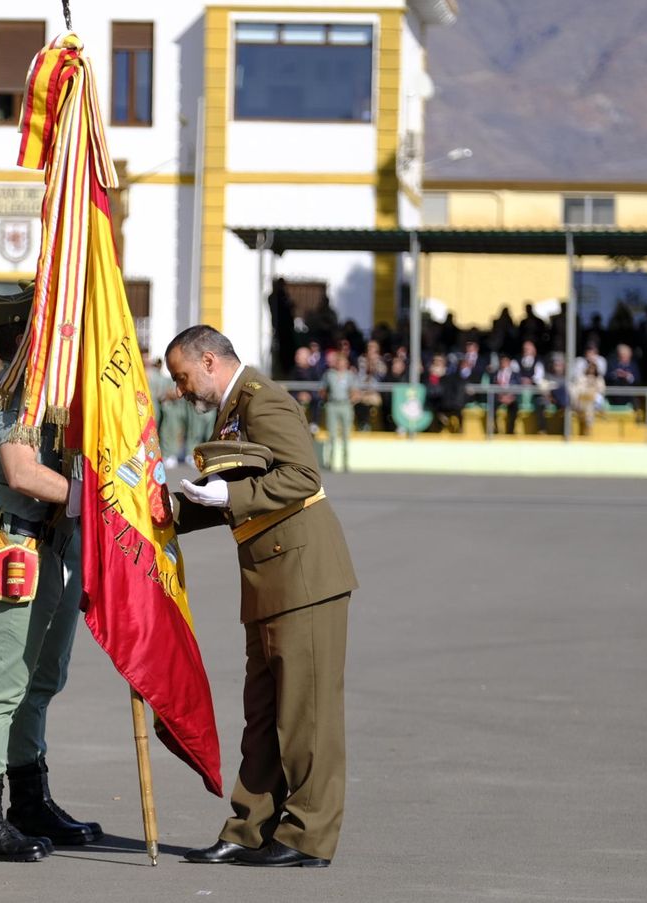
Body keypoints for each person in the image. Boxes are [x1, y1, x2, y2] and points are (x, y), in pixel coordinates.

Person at [166, 324, 356, 869]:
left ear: (209, 361)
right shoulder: (233, 410)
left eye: (182, 378)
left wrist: (232, 493)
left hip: (304, 577)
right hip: (270, 579)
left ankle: (307, 837)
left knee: (307, 718)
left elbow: (301, 475)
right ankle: (250, 829)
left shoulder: (262, 399)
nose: (181, 391)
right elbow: (233, 490)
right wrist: (159, 516)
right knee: (263, 716)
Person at [0, 284, 101, 862]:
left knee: (39, 684)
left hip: (53, 547)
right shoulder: (17, 392)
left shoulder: (46, 392)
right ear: (24, 335)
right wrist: (91, 499)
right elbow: (21, 472)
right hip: (13, 549)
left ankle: (29, 800)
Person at [319, 351, 354, 471]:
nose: (342, 364)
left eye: (344, 362)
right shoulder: (329, 374)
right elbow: (323, 390)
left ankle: (345, 463)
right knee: (332, 435)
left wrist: (351, 400)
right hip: (333, 404)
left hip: (345, 405)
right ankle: (330, 462)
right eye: (339, 362)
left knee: (346, 435)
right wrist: (326, 400)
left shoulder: (350, 375)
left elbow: (354, 390)